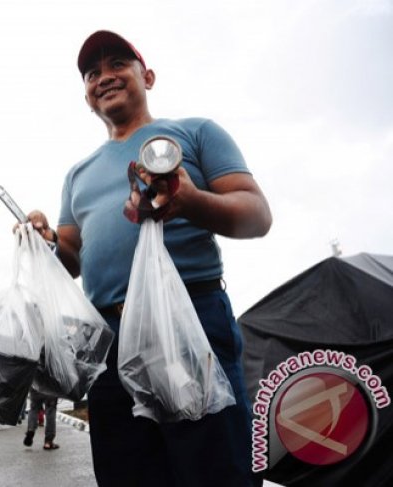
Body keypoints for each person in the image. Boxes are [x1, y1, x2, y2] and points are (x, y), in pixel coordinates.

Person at [26, 31, 272, 486]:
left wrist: (191, 201)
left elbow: (256, 216)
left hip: (190, 320)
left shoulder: (196, 133)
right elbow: (71, 257)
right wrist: (43, 245)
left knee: (213, 466)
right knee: (127, 470)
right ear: (86, 97)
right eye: (92, 73)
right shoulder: (77, 174)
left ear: (148, 77)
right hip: (108, 339)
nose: (104, 77)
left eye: (117, 63)